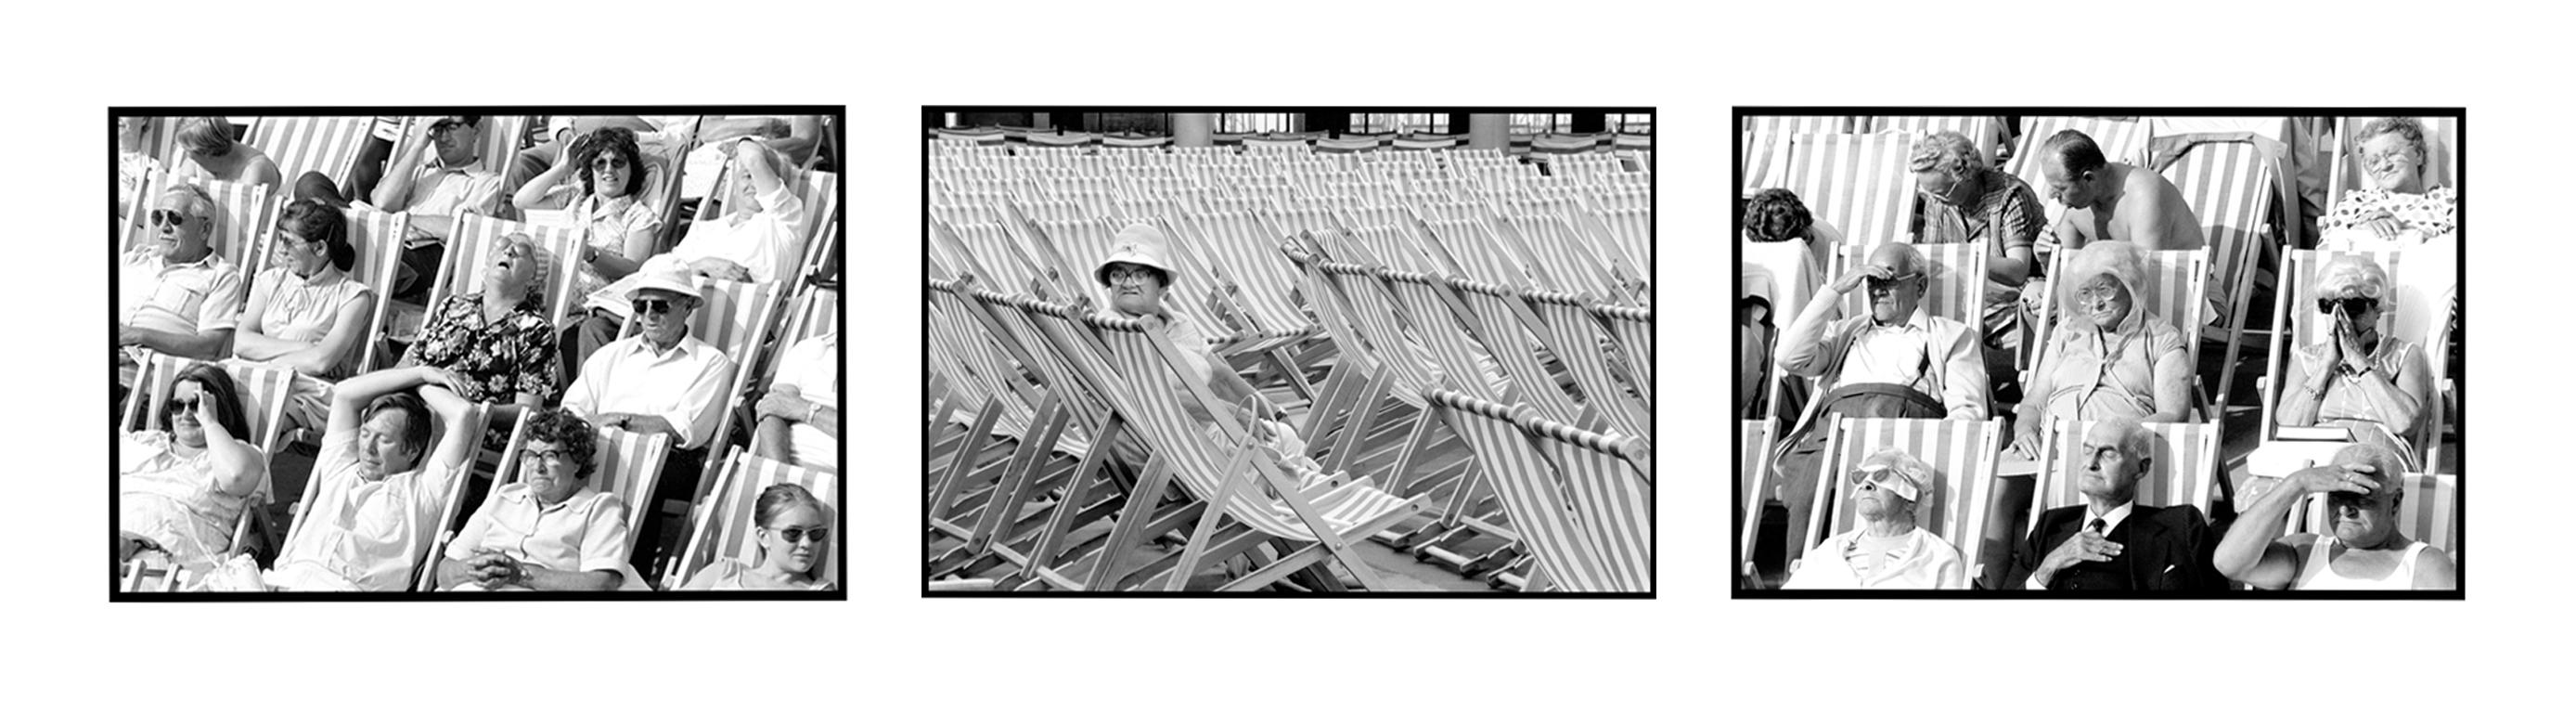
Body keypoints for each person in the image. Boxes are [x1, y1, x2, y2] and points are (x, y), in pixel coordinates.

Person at [1763, 242, 1988, 577]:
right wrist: (1836, 291)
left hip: (1901, 445)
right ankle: (1805, 580)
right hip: (1832, 440)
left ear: (1920, 286)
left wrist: (1921, 453)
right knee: (1811, 485)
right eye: (1871, 282)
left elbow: (1968, 414)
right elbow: (1788, 358)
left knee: (1883, 495)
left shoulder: (1951, 336)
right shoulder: (1846, 332)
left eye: (1888, 281)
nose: (1877, 290)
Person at [564, 138, 806, 374]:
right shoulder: (708, 228)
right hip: (671, 313)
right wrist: (701, 265)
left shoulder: (784, 222)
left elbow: (753, 158)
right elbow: (661, 266)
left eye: (762, 177)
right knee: (596, 327)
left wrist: (743, 144)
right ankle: (591, 409)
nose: (753, 183)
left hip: (727, 329)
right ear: (733, 182)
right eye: (745, 176)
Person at [560, 257, 738, 574]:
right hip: (599, 446)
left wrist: (617, 421)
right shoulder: (612, 355)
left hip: (671, 460)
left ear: (687, 307)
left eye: (660, 305)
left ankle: (628, 575)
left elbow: (683, 429)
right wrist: (605, 425)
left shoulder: (711, 362)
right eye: (641, 307)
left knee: (644, 467)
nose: (649, 315)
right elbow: (571, 409)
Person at [263, 366, 478, 591]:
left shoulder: (426, 493)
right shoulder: (341, 466)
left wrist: (419, 387)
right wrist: (420, 373)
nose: (368, 448)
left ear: (412, 450)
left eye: (383, 440)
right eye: (365, 434)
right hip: (282, 582)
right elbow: (345, 394)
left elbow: (463, 414)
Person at [2007, 240, 2191, 459]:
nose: (2096, 303)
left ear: (2130, 286)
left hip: (2113, 454)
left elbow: (2174, 414)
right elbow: (2036, 400)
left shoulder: (2162, 338)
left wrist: (2113, 438)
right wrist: (2025, 431)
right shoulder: (2066, 331)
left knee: (2063, 485)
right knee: (1989, 482)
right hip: (2045, 445)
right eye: (2085, 293)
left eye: (2105, 290)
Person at [2003, 418, 2225, 590]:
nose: (2091, 463)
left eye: (2108, 454)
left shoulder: (2181, 526)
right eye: (2088, 450)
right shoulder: (2051, 525)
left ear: (2142, 469)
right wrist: (2047, 568)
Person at [306, 115, 506, 303]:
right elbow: (382, 203)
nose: (443, 137)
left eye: (452, 127)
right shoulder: (418, 170)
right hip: (379, 237)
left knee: (317, 217)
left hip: (421, 256)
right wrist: (417, 146)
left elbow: (463, 229)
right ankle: (343, 241)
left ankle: (337, 247)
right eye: (437, 128)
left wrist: (402, 220)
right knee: (311, 183)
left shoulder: (488, 182)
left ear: (477, 129)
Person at [432, 408, 630, 591]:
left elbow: (603, 583)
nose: (538, 467)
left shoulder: (599, 509)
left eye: (550, 456)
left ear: (577, 461)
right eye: (530, 455)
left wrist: (520, 575)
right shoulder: (504, 497)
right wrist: (472, 570)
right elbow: (445, 572)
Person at [2214, 444, 2454, 590]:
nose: (2344, 510)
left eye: (2361, 497)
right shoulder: (2303, 552)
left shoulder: (2424, 565)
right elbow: (2229, 563)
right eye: (2336, 497)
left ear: (2395, 502)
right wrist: (2296, 483)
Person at [1911, 130, 2042, 395]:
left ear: (1966, 176)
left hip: (2013, 299)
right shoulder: (1939, 202)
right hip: (1963, 294)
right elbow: (1936, 256)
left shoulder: (2009, 196)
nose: (1935, 199)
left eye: (1942, 192)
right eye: (1928, 193)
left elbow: (2018, 271)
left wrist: (1970, 256)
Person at [229, 198, 376, 432]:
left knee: (249, 412)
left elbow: (320, 362)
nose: (280, 249)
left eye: (288, 242)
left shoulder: (353, 297)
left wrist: (265, 362)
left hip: (308, 394)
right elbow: (242, 342)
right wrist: (306, 346)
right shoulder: (269, 280)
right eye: (279, 239)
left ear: (319, 248)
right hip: (255, 377)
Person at [2275, 255, 2433, 471]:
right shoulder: (2307, 358)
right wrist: (2326, 366)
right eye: (2328, 305)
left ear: (2378, 309)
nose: (2340, 316)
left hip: (2373, 460)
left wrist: (2358, 360)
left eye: (2354, 307)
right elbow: (2289, 425)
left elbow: (2405, 423)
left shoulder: (2404, 355)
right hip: (2312, 459)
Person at [396, 232, 560, 427]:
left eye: (522, 250)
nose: (508, 250)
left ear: (533, 278)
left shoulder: (536, 330)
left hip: (464, 425)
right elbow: (408, 362)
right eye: (502, 244)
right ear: (487, 264)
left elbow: (527, 410)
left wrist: (469, 411)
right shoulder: (453, 305)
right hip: (412, 404)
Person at [119, 365, 268, 570]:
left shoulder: (237, 455)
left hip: (165, 562)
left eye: (197, 405)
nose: (187, 413)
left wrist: (210, 423)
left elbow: (236, 478)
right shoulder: (145, 441)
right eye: (177, 405)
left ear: (219, 408)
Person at [510, 127, 663, 301]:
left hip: (588, 299)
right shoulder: (575, 196)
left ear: (632, 170)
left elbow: (634, 268)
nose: (609, 170)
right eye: (600, 163)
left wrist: (591, 254)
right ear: (591, 169)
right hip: (547, 284)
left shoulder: (638, 216)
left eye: (618, 162)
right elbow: (521, 201)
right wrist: (563, 168)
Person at [117, 184, 246, 389]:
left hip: (138, 379)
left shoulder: (220, 276)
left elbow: (207, 347)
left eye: (175, 218)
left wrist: (136, 335)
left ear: (204, 229)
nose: (164, 227)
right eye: (158, 217)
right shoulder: (136, 257)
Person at [1782, 449, 1966, 590]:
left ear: (1910, 499)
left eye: (1881, 476)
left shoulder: (1938, 557)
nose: (1866, 484)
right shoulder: (1830, 549)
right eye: (1860, 477)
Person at [2041, 129, 2206, 253]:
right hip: (2111, 294)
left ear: (2089, 179)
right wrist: (2049, 258)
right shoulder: (2079, 206)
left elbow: (2147, 275)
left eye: (2060, 188)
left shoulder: (2145, 194)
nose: (2051, 195)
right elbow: (2063, 277)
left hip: (2190, 290)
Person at [2320, 118, 2454, 251]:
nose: (2384, 166)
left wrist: (2406, 232)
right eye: (2373, 162)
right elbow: (2322, 254)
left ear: (2418, 155)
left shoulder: (2446, 201)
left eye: (2392, 154)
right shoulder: (2354, 203)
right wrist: (2359, 232)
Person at [677, 483, 834, 590]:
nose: (806, 543)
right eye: (793, 533)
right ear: (763, 536)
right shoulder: (723, 572)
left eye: (816, 533)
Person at [753, 323, 839, 472]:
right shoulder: (807, 349)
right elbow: (773, 410)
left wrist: (805, 409)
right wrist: (780, 475)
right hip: (787, 464)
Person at [169, 117, 284, 190]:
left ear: (208, 152)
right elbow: (178, 196)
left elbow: (244, 217)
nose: (187, 155)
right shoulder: (195, 163)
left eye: (188, 150)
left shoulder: (255, 169)